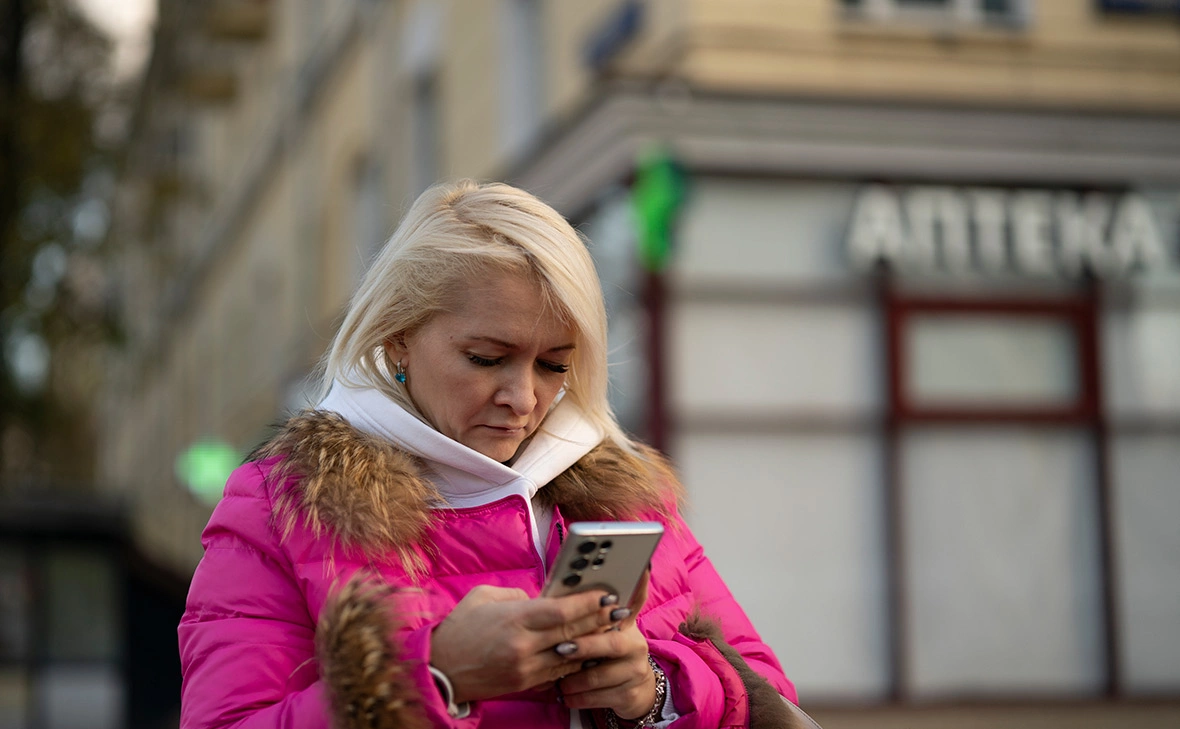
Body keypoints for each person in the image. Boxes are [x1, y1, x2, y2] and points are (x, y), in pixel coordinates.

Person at [178, 180, 817, 729]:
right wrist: (437, 676)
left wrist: (654, 691)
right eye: (486, 359)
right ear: (398, 339)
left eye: (554, 365)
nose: (523, 398)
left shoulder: (623, 496)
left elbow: (772, 700)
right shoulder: (284, 505)